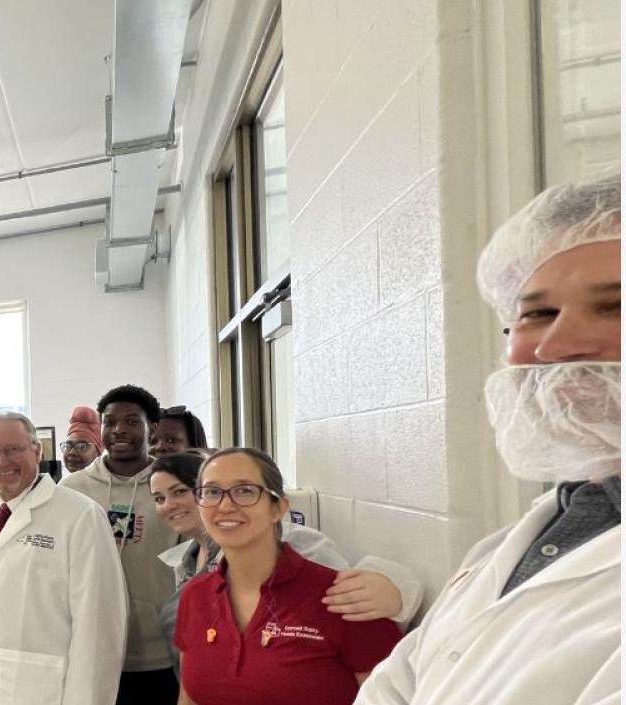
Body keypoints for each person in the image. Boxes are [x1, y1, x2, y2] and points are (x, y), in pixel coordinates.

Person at [357, 175, 622, 704]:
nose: (556, 345)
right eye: (537, 314)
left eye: (615, 304)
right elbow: (399, 682)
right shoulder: (530, 533)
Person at [174, 449, 401, 705]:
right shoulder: (195, 596)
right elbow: (189, 697)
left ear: (278, 508)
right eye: (212, 492)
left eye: (245, 490)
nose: (225, 506)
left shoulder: (345, 600)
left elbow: (394, 697)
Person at [0, 410, 128, 705]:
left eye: (13, 450)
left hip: (45, 692)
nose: (2, 462)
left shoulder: (80, 516)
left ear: (37, 450)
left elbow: (99, 629)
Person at [60, 385, 179, 702]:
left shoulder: (172, 486)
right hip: (89, 650)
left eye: (131, 421)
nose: (119, 430)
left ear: (151, 427)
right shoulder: (73, 488)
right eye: (110, 422)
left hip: (159, 653)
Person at [59, 406, 103, 476]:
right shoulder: (63, 485)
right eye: (67, 446)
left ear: (98, 453)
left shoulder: (110, 485)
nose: (72, 452)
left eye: (81, 447)